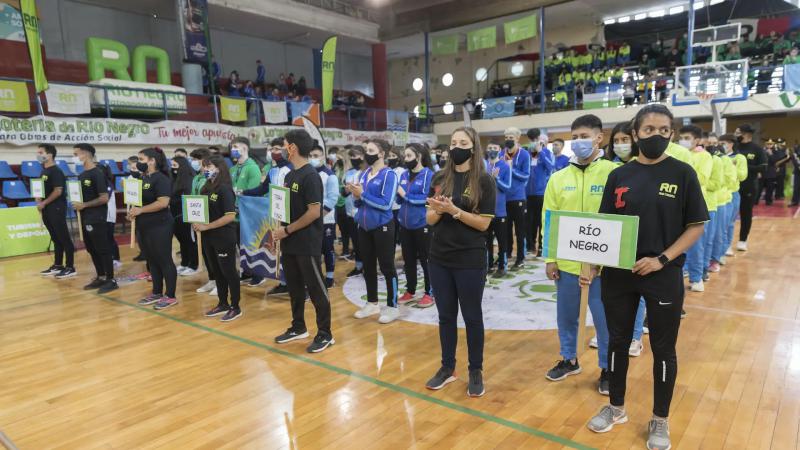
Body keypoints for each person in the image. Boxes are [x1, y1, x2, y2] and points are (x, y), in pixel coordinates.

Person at [588, 104, 708, 450]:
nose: (656, 135)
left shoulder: (683, 173)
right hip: (619, 274)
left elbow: (696, 226)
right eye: (649, 129)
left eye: (663, 130)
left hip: (663, 273)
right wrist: (592, 263)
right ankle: (616, 408)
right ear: (636, 132)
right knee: (617, 342)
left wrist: (662, 259)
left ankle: (660, 418)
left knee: (663, 348)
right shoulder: (618, 176)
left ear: (670, 134)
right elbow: (604, 228)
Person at [543, 114, 615, 394]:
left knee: (603, 317)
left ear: (599, 137)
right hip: (568, 263)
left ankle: (607, 367)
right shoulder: (558, 178)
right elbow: (549, 218)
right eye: (575, 137)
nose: (579, 142)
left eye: (584, 136)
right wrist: (551, 257)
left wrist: (601, 261)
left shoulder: (614, 173)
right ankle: (569, 358)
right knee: (567, 315)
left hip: (603, 266)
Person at [424, 126, 496, 397]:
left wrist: (454, 211)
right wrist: (439, 210)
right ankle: (447, 367)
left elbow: (483, 225)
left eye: (462, 142)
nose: (456, 146)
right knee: (445, 316)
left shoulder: (484, 181)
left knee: (472, 316)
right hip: (439, 257)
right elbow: (429, 219)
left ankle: (475, 370)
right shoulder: (440, 176)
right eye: (453, 142)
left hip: (469, 258)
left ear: (473, 147)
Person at [272, 130, 334, 353]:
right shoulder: (289, 175)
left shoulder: (310, 175)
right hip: (289, 241)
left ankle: (325, 333)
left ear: (293, 148)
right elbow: (285, 207)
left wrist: (287, 230)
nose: (281, 149)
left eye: (284, 145)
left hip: (306, 243)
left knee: (316, 289)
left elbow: (314, 212)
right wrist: (279, 227)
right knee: (295, 288)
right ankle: (298, 326)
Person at [349, 139, 400, 324]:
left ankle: (393, 306)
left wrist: (361, 194)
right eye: (366, 150)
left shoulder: (390, 175)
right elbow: (359, 203)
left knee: (387, 267)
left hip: (383, 226)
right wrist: (355, 195)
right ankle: (372, 303)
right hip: (363, 226)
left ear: (381, 154)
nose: (366, 153)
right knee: (368, 267)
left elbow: (386, 204)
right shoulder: (364, 174)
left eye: (370, 150)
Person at [193, 155, 243, 322]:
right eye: (204, 167)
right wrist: (196, 221)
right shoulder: (206, 187)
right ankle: (222, 303)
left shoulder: (225, 189)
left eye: (209, 167)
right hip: (208, 237)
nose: (205, 170)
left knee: (228, 271)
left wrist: (206, 226)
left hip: (224, 237)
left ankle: (235, 306)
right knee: (216, 271)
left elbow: (230, 216)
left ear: (219, 168)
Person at [129, 147, 177, 309]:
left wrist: (141, 210)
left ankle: (170, 295)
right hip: (144, 225)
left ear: (152, 161)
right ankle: (156, 292)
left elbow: (163, 202)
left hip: (160, 224)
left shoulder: (161, 179)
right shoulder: (143, 178)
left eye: (141, 160)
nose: (138, 163)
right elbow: (138, 202)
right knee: (152, 260)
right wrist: (134, 212)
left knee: (164, 260)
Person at [72, 144, 117, 293]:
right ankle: (101, 276)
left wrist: (84, 205)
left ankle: (111, 279)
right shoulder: (81, 175)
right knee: (92, 249)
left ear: (85, 154)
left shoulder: (97, 173)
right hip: (85, 218)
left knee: (102, 249)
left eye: (76, 154)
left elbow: (104, 198)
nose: (75, 157)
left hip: (96, 218)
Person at [679, 125, 718, 292]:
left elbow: (701, 178)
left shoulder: (705, 157)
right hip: (678, 204)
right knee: (679, 243)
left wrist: (686, 162)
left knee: (696, 244)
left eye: (687, 138)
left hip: (696, 205)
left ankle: (697, 277)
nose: (683, 141)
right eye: (681, 138)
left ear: (697, 140)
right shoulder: (677, 154)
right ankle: (683, 271)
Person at [397, 143, 435, 307]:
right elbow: (399, 199)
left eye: (409, 156)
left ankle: (430, 292)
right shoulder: (404, 175)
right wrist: (398, 196)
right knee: (408, 260)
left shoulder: (429, 175)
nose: (406, 159)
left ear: (419, 156)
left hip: (422, 224)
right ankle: (410, 290)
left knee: (427, 260)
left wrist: (405, 195)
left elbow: (426, 200)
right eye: (404, 156)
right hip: (404, 224)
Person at [36, 144, 76, 279]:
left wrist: (44, 202)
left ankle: (70, 266)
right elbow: (41, 189)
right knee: (55, 238)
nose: (38, 154)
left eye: (41, 152)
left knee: (64, 237)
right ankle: (58, 264)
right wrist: (38, 199)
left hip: (56, 208)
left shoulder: (56, 171)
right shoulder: (43, 171)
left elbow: (58, 191)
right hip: (46, 209)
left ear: (50, 155)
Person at [229, 137, 264, 286]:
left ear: (245, 148)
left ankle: (259, 274)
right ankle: (247, 271)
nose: (233, 149)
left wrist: (240, 195)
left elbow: (253, 193)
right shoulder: (232, 169)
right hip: (235, 214)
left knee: (252, 244)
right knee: (240, 244)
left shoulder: (252, 167)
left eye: (236, 146)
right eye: (232, 147)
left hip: (248, 214)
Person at [309, 144, 339, 288]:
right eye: (310, 156)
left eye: (316, 156)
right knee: (314, 250)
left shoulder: (330, 175)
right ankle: (315, 276)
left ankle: (330, 277)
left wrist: (319, 215)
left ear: (323, 156)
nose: (313, 159)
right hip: (310, 219)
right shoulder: (307, 173)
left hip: (326, 219)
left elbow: (333, 198)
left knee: (327, 249)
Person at [501, 127, 530, 270]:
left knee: (520, 230)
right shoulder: (501, 153)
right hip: (503, 198)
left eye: (511, 137)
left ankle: (521, 258)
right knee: (505, 230)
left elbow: (526, 175)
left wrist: (511, 168)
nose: (508, 139)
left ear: (518, 138)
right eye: (506, 137)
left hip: (518, 197)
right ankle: (507, 255)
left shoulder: (524, 154)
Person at [190, 148, 219, 296]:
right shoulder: (196, 178)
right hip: (198, 219)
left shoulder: (212, 178)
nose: (193, 162)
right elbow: (192, 198)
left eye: (196, 159)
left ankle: (220, 282)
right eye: (192, 159)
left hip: (211, 219)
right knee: (206, 252)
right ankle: (212, 279)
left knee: (214, 253)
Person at [734, 124, 767, 251]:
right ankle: (725, 243)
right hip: (732, 187)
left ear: (747, 134)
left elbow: (763, 167)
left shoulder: (757, 149)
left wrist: (743, 166)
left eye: (738, 133)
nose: (736, 135)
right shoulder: (734, 147)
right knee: (729, 215)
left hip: (749, 187)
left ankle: (743, 239)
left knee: (745, 213)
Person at [525, 130, 555, 257]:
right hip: (527, 194)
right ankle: (530, 245)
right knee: (529, 222)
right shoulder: (527, 153)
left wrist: (541, 152)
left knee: (541, 221)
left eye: (536, 140)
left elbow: (550, 167)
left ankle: (542, 247)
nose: (534, 142)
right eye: (532, 140)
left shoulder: (546, 153)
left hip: (541, 193)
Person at [485, 141, 511, 278]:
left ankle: (502, 266)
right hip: (485, 211)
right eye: (490, 148)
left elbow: (507, 187)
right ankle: (488, 265)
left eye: (495, 148)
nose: (492, 150)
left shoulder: (505, 166)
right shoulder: (483, 166)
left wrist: (497, 179)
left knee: (502, 241)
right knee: (487, 241)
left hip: (500, 211)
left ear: (500, 150)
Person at [171, 155, 199, 276]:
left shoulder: (189, 179)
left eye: (175, 166)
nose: (172, 168)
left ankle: (193, 265)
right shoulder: (174, 179)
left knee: (189, 241)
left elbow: (188, 198)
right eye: (171, 166)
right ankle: (184, 263)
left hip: (185, 215)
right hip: (175, 214)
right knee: (182, 241)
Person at [343, 146, 366, 277]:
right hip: (349, 211)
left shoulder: (366, 172)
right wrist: (346, 190)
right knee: (355, 242)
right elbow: (344, 192)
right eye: (351, 157)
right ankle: (358, 266)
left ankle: (367, 266)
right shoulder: (349, 172)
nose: (353, 159)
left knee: (363, 242)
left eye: (356, 156)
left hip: (361, 211)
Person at [99, 163, 121, 269]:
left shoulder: (107, 183)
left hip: (109, 216)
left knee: (109, 238)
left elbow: (104, 199)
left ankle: (116, 258)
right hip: (101, 216)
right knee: (103, 239)